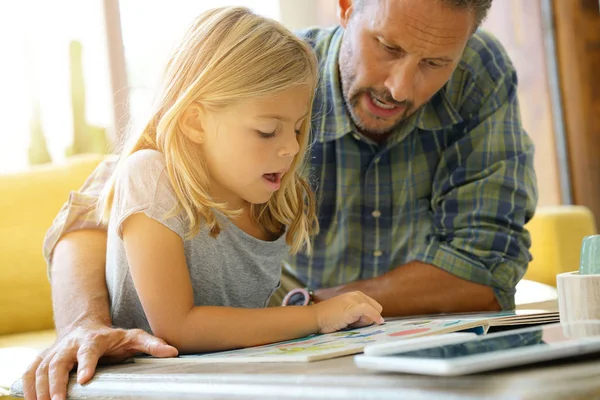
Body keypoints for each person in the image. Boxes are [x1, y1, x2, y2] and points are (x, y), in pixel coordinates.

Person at [24, 0, 538, 398]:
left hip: (347, 344)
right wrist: (84, 325)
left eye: (434, 63)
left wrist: (317, 309)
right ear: (345, 7)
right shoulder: (276, 75)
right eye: (387, 46)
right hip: (283, 350)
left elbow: (485, 267)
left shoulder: (479, 75)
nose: (400, 87)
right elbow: (94, 212)